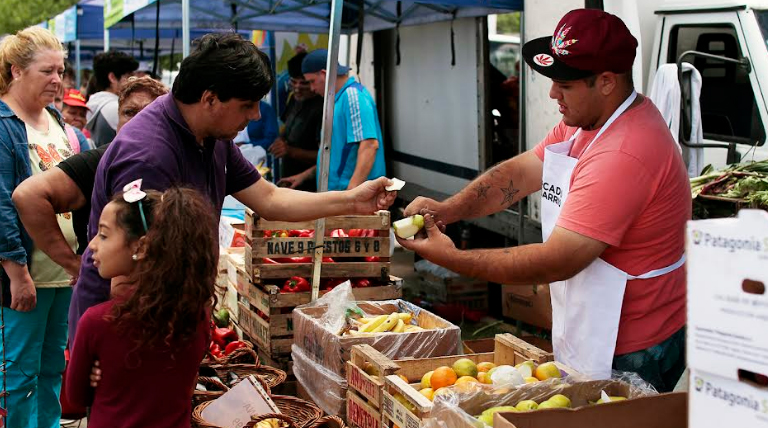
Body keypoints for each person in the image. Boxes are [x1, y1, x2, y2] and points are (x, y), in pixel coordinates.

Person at [399, 9, 690, 391]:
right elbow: (520, 173)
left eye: (565, 85)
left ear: (606, 82)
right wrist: (448, 209)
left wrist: (451, 258)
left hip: (634, 347)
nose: (553, 94)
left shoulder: (625, 152)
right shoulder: (586, 121)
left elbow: (558, 259)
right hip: (595, 323)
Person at [67, 33, 397, 342]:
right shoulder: (149, 156)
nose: (255, 116)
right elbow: (128, 274)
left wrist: (353, 200)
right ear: (210, 99)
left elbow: (269, 198)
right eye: (247, 105)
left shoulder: (211, 136)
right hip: (128, 328)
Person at [66, 185, 216, 428]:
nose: (92, 244)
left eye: (103, 235)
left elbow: (76, 397)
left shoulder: (96, 321)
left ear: (141, 247)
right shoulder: (195, 314)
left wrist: (95, 379)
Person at [0, 26, 88, 428]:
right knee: (19, 374)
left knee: (54, 364)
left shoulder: (54, 119)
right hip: (26, 274)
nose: (57, 80)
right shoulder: (4, 126)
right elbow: (2, 204)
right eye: (47, 71)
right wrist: (17, 274)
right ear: (16, 71)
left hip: (62, 272)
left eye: (61, 70)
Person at [13, 76, 169, 262]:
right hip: (96, 284)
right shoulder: (98, 161)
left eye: (148, 113)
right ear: (117, 120)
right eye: (129, 112)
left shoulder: (175, 162)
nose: (138, 121)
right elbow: (27, 196)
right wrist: (72, 263)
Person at [279, 49, 386, 191]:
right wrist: (303, 176)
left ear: (324, 74)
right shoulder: (337, 100)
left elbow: (370, 145)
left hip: (353, 198)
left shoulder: (353, 96)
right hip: (339, 196)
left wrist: (350, 194)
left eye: (311, 81)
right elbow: (335, 156)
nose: (312, 88)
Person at [269, 51, 324, 192]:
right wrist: (280, 141)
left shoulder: (323, 108)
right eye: (294, 82)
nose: (298, 88)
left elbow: (324, 156)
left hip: (310, 186)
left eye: (304, 83)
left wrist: (289, 151)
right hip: (289, 179)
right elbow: (287, 129)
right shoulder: (294, 99)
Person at [85, 51, 139, 147]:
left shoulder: (95, 103)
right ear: (112, 78)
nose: (133, 81)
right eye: (128, 76)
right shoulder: (115, 107)